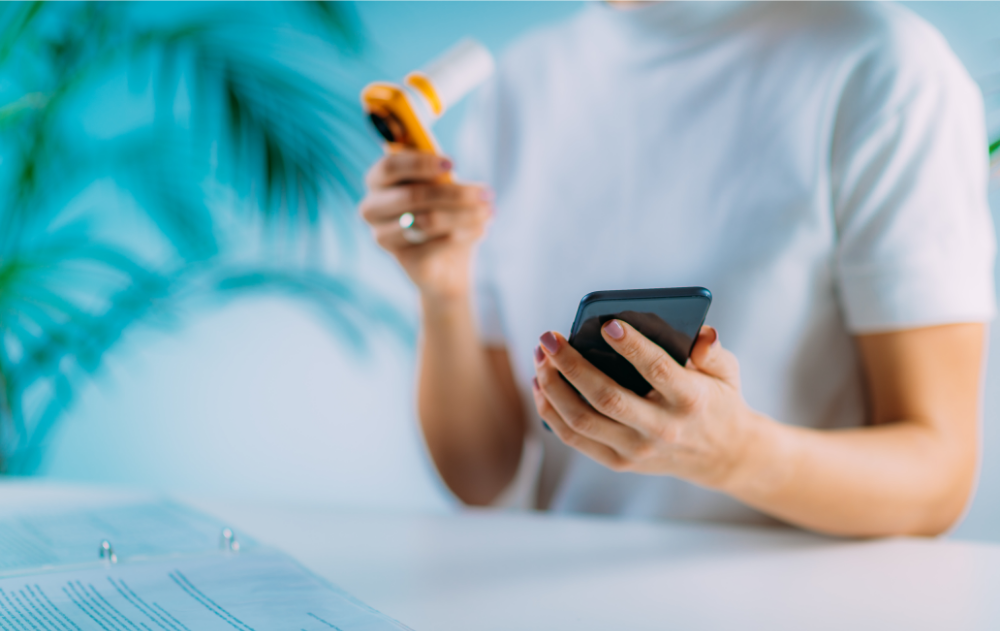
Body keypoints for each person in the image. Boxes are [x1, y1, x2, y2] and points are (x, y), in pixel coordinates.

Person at [359, 2, 996, 537]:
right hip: (565, 616)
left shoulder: (882, 65)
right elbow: (480, 479)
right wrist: (444, 291)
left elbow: (937, 476)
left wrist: (735, 455)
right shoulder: (520, 85)